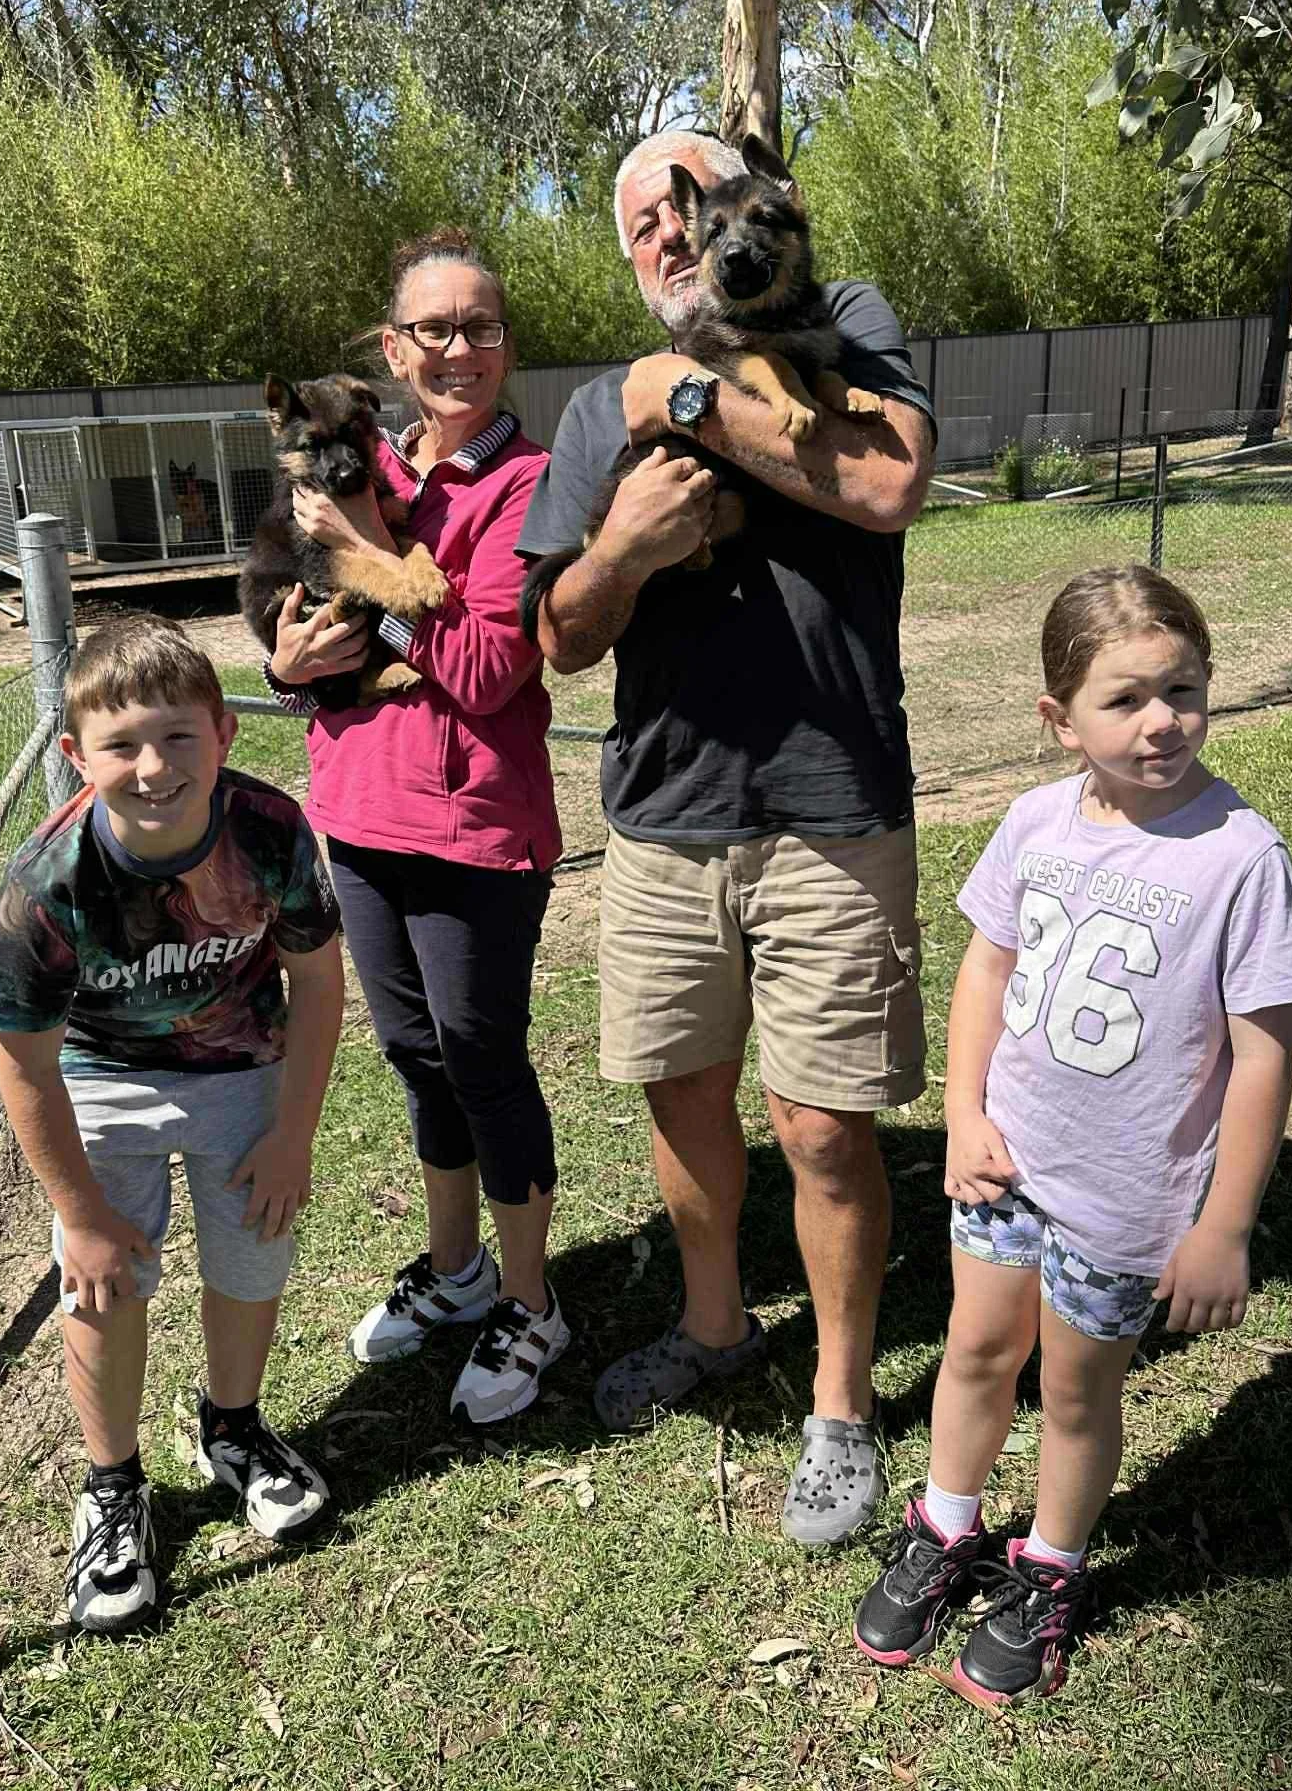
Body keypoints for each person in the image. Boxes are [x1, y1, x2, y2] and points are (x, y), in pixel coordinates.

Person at [518, 132, 937, 1548]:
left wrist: (689, 395)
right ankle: (715, 1327)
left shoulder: (848, 321)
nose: (675, 231)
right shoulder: (595, 411)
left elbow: (885, 484)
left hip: (833, 804)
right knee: (684, 1101)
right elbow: (558, 639)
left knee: (823, 1124)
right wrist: (628, 543)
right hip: (665, 816)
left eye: (693, 202)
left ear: (765, 211)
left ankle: (837, 1401)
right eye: (649, 216)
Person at [853, 566, 1292, 1704]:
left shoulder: (1240, 856)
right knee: (972, 1350)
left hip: (1124, 1198)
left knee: (1072, 1391)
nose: (1162, 719)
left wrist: (1224, 1224)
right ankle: (946, 1525)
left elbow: (1263, 1054)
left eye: (1184, 688)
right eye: (1126, 698)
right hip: (1005, 1164)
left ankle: (1050, 1569)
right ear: (1060, 719)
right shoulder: (1034, 820)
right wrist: (963, 1111)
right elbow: (986, 970)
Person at [0, 616, 344, 1634]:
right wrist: (79, 1208)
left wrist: (292, 1134)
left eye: (178, 736)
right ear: (75, 756)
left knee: (254, 1249)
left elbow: (316, 982)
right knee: (103, 1281)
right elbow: (26, 1061)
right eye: (122, 742)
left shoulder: (268, 827)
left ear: (224, 731)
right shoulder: (46, 883)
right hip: (101, 1080)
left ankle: (234, 1426)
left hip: (241, 1069)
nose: (152, 765)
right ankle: (113, 1483)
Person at [259, 226, 566, 1425]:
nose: (456, 349)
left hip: (473, 821)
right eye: (432, 329)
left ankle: (534, 1303)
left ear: (504, 345)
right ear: (395, 349)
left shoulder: (528, 485)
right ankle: (456, 1272)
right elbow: (312, 623)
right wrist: (290, 665)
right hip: (361, 811)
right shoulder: (366, 464)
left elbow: (489, 668)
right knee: (413, 1057)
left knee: (484, 1058)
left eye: (479, 327)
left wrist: (366, 556)